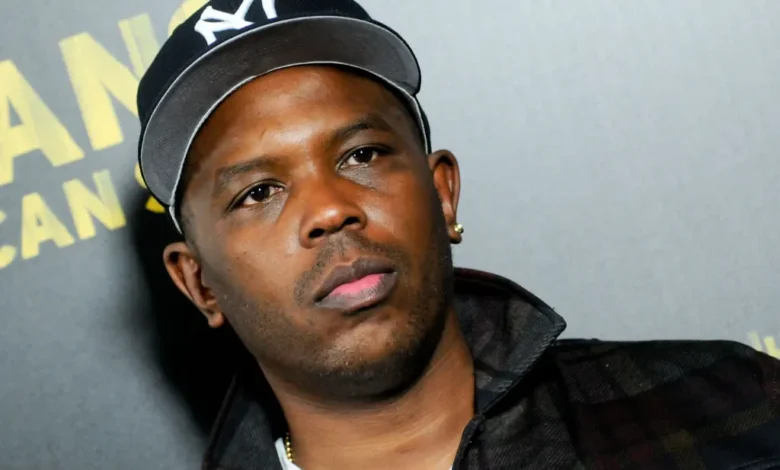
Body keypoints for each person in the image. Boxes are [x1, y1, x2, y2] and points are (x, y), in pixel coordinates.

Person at [135, 1, 780, 468]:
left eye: (361, 155)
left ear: (442, 194)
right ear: (200, 284)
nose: (329, 210)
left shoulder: (732, 404)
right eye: (257, 193)